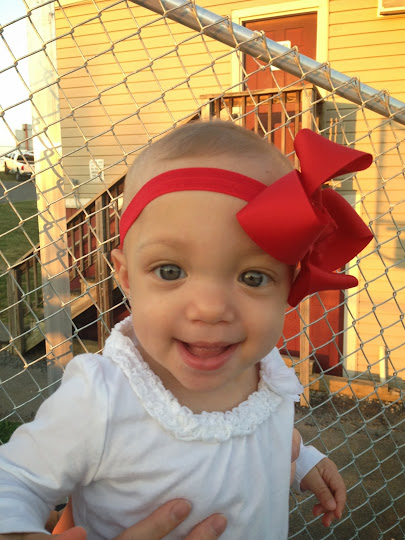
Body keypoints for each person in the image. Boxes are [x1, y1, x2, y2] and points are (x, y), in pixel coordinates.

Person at [0, 120, 372, 539]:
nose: (210, 309)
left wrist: (302, 459)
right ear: (126, 276)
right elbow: (13, 480)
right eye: (170, 271)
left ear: (289, 284)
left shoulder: (264, 371)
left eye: (253, 277)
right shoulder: (103, 399)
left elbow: (254, 433)